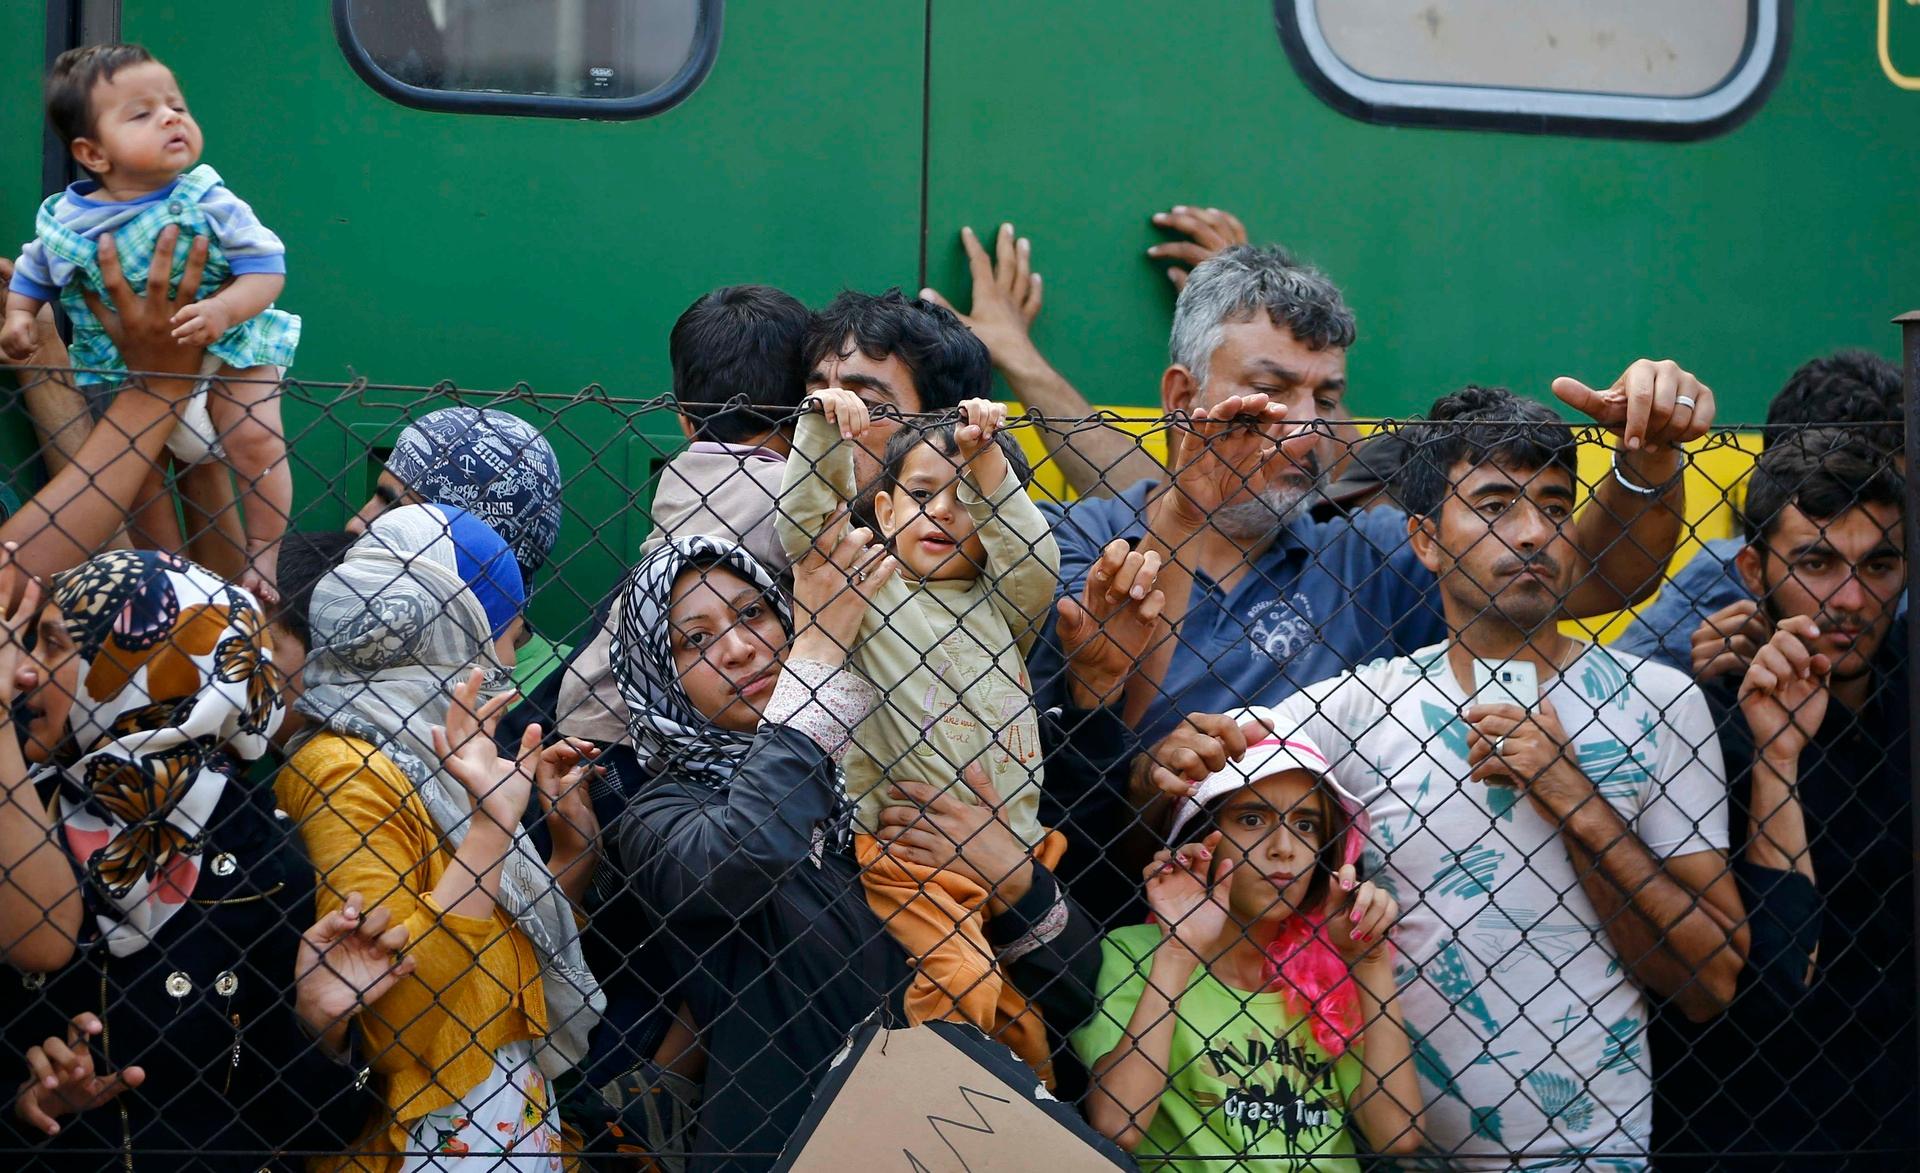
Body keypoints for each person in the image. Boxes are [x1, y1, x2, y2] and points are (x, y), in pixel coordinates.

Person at [1164, 385, 1742, 1167]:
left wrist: (1575, 797)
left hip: (1592, 1153)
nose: (1535, 531)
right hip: (1395, 1154)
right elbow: (1190, 781)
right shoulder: (1367, 705)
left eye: (1554, 504)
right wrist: (1164, 762)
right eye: (1497, 503)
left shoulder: (1659, 701)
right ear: (1427, 540)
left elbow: (1712, 979)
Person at [1036, 245, 1712, 754]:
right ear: (1183, 398)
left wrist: (1648, 454)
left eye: (1325, 399)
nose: (1306, 431)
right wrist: (1185, 512)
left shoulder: (1367, 555)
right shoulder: (1070, 539)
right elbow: (1094, 742)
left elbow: (1598, 578)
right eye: (1272, 391)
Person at [603, 532, 1135, 1170]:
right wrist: (820, 653)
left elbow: (1076, 991)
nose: (741, 650)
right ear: (658, 674)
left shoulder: (899, 767)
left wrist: (1014, 876)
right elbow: (745, 854)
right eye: (696, 640)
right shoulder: (663, 814)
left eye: (753, 615)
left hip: (968, 1139)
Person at [0, 549, 414, 1170]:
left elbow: (314, 1127)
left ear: (146, 673)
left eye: (54, 645)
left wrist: (316, 1027)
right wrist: (23, 1104)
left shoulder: (261, 861)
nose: (25, 672)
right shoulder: (17, 814)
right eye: (27, 643)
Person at [276, 505, 603, 1172]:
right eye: (508, 635)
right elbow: (398, 1027)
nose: (513, 658)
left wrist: (564, 848)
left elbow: (503, 968)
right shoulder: (349, 771)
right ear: (454, 635)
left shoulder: (443, 764)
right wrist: (488, 833)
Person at [776, 387, 1063, 1070]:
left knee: (1025, 1024)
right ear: (884, 508)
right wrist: (822, 434)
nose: (941, 510)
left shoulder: (1005, 608)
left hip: (1017, 849)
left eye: (967, 499)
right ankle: (929, 1093)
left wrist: (985, 457)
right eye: (924, 492)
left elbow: (1036, 561)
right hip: (913, 858)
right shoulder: (872, 587)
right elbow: (807, 530)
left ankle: (1017, 1113)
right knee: (959, 979)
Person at [1652, 432, 1913, 1169]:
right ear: (1751, 567)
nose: (1853, 599)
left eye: (1881, 565)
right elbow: (1769, 983)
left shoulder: (1907, 691)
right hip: (1753, 1124)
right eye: (1817, 563)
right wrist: (1778, 753)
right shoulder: (1701, 725)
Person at [4, 44, 297, 602]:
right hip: (123, 369)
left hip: (226, 346)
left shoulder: (208, 198)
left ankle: (264, 552)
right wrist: (20, 318)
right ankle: (168, 578)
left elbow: (266, 269)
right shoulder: (66, 221)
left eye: (177, 106)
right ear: (92, 153)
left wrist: (221, 310)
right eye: (141, 114)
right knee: (136, 483)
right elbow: (31, 272)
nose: (170, 117)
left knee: (255, 438)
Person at [1075, 720, 1423, 1167]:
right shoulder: (1140, 951)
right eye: (1252, 819)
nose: (1284, 848)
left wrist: (1368, 960)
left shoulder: (1328, 969)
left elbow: (1399, 1136)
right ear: (1203, 837)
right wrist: (1179, 952)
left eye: (1306, 824)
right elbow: (1117, 1123)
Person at [548, 284, 809, 744]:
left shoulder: (680, 477)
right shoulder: (791, 491)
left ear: (685, 419)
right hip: (644, 731)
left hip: (595, 715)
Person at [1613, 349, 1903, 677]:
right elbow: (1621, 697)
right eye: (1816, 563)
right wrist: (1706, 699)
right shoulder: (1715, 592)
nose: (1852, 598)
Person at [346, 405, 567, 690]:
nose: (355, 525)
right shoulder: (338, 648)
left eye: (397, 511)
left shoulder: (566, 691)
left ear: (476, 546)